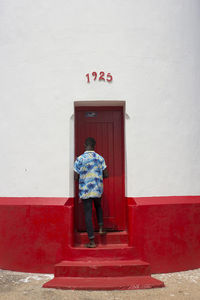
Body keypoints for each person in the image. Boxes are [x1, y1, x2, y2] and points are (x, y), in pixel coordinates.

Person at [74, 137, 109, 248]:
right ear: (94, 145)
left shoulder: (80, 159)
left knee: (88, 213)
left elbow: (75, 177)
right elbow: (106, 174)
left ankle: (92, 241)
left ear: (85, 145)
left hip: (86, 189)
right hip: (97, 188)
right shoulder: (100, 158)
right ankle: (101, 227)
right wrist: (97, 175)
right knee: (98, 206)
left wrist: (84, 175)